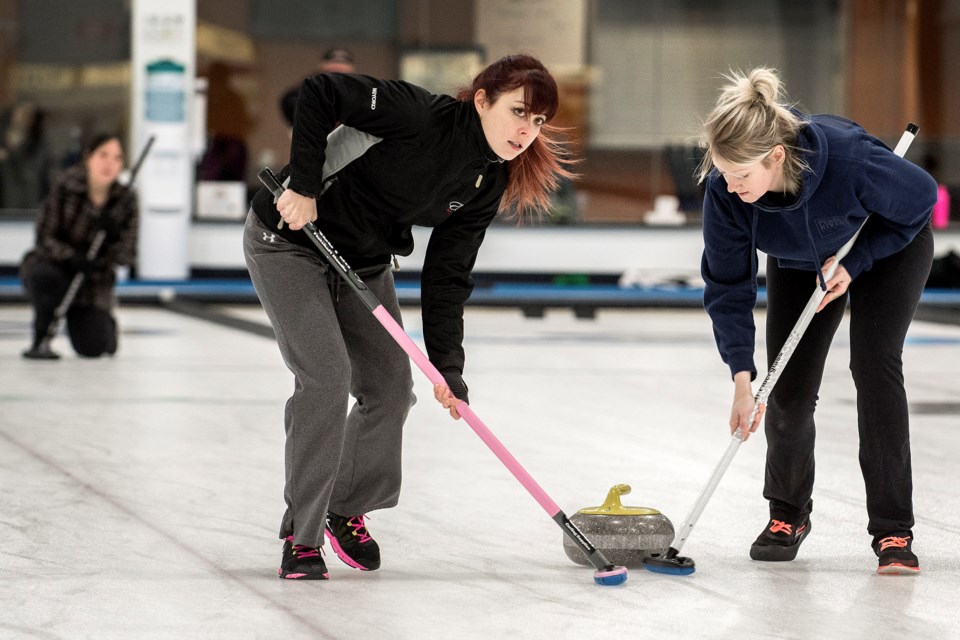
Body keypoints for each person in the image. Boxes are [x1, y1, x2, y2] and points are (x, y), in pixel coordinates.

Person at [244, 53, 572, 580]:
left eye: (537, 122)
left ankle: (344, 507)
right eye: (518, 112)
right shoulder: (418, 115)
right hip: (290, 242)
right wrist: (303, 186)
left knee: (392, 388)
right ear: (483, 100)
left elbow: (447, 274)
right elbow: (321, 92)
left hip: (363, 264)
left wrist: (448, 367)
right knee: (327, 378)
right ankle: (301, 538)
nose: (526, 131)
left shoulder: (487, 181)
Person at [697, 68, 936, 575]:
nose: (732, 186)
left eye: (742, 176)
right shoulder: (727, 195)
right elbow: (728, 287)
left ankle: (893, 529)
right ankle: (788, 515)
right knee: (784, 386)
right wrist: (743, 379)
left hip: (886, 244)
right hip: (800, 260)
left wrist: (856, 262)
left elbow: (921, 200)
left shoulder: (849, 159)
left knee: (874, 365)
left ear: (776, 156)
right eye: (724, 174)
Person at [20, 133, 138, 360]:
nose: (109, 164)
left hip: (92, 281)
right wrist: (72, 257)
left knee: (93, 347)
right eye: (103, 155)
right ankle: (41, 336)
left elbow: (127, 256)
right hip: (56, 268)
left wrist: (112, 239)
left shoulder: (126, 201)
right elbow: (44, 237)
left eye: (117, 158)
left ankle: (105, 325)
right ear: (88, 158)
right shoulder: (64, 187)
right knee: (45, 278)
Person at [279, 47, 356, 129]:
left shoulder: (358, 89)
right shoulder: (309, 85)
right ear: (323, 65)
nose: (338, 67)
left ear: (352, 68)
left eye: (343, 63)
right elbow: (291, 103)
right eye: (333, 62)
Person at [0, 99, 52, 210]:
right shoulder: (3, 141)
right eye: (22, 113)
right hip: (4, 209)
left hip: (30, 208)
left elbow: (41, 177)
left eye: (29, 115)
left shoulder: (39, 146)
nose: (24, 118)